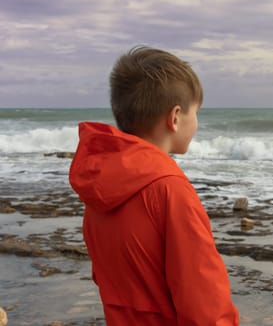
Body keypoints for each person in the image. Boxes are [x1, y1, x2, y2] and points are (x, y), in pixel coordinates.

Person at [69, 46, 239, 325]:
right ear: (174, 118)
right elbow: (203, 299)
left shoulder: (99, 187)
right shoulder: (169, 190)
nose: (196, 123)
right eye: (195, 113)